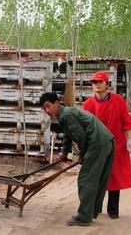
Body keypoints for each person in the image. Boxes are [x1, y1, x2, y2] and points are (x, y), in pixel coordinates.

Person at [39, 92, 115, 226]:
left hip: (97, 142)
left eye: (48, 106)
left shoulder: (67, 115)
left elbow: (81, 137)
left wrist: (82, 155)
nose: (47, 111)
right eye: (44, 108)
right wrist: (64, 152)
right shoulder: (64, 114)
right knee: (97, 179)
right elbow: (68, 135)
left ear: (57, 103)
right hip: (106, 140)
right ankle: (91, 211)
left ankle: (84, 217)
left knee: (85, 178)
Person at [83, 71, 131, 219]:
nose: (97, 85)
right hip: (97, 146)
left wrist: (129, 139)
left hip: (116, 144)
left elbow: (126, 121)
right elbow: (86, 128)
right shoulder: (88, 104)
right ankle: (96, 208)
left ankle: (113, 210)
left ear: (107, 84)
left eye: (100, 82)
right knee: (97, 177)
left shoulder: (118, 101)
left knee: (115, 177)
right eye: (94, 83)